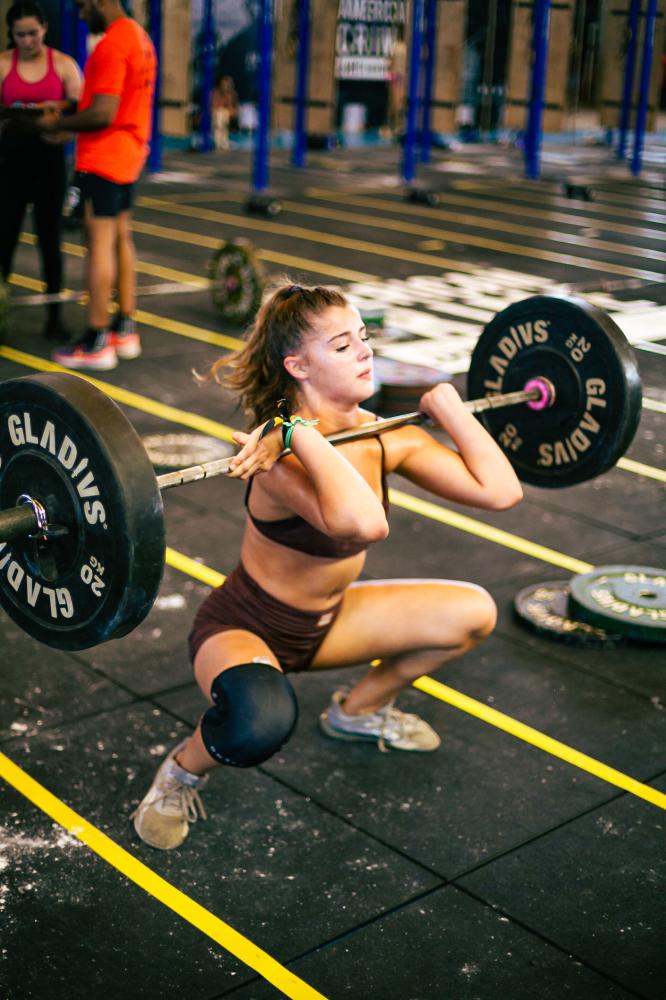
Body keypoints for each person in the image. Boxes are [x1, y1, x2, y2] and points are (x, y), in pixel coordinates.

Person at [131, 282, 523, 851]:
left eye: (364, 338)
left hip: (328, 622)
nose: (364, 351)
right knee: (258, 724)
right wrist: (291, 430)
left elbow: (501, 492)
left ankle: (358, 711)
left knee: (473, 612)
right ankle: (179, 773)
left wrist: (449, 409)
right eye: (342, 346)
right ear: (298, 365)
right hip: (245, 627)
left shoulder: (388, 438)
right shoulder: (274, 459)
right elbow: (363, 523)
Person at [38, 0, 156, 371]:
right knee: (122, 238)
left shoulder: (111, 44)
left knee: (99, 244)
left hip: (105, 158)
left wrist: (57, 125)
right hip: (129, 154)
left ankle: (96, 337)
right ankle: (125, 328)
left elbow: (104, 113)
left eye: (84, 4)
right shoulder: (140, 38)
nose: (80, 11)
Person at [0, 1, 82, 341]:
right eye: (20, 35)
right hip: (10, 160)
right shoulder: (3, 65)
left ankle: (55, 318)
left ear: (45, 29)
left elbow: (81, 111)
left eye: (33, 33)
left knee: (50, 238)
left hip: (49, 160)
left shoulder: (63, 65)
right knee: (4, 237)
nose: (27, 41)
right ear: (12, 35)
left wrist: (66, 128)